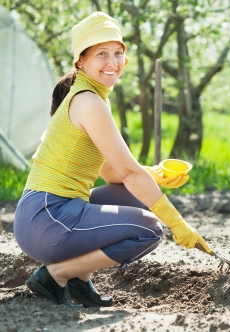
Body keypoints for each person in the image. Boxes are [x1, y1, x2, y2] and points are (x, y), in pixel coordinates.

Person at [13, 12, 212, 308]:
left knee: (140, 196)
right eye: (101, 54)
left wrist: (153, 174)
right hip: (46, 219)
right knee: (149, 229)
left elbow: (109, 171)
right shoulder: (89, 101)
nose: (112, 62)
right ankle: (57, 275)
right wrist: (177, 223)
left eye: (118, 53)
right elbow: (129, 174)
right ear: (81, 61)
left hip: (46, 215)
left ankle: (80, 281)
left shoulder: (94, 96)